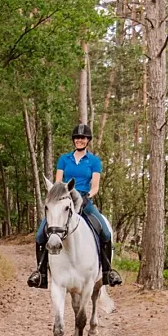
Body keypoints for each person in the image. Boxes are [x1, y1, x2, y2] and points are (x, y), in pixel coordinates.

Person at [27, 123, 123, 289]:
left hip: (84, 201)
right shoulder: (64, 159)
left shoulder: (94, 161)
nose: (80, 140)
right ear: (74, 140)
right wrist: (60, 197)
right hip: (64, 200)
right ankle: (40, 273)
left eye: (83, 138)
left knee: (105, 233)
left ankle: (108, 272)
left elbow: (95, 186)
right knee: (40, 236)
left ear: (87, 140)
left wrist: (87, 196)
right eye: (77, 138)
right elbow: (58, 182)